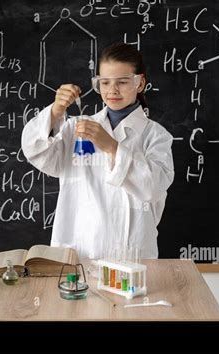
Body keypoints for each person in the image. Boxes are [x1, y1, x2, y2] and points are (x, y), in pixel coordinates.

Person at [21, 43, 174, 260]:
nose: (112, 90)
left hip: (131, 257)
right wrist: (56, 112)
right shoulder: (77, 127)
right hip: (79, 251)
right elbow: (34, 150)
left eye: (122, 82)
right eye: (104, 82)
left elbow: (153, 188)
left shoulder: (155, 136)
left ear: (140, 83)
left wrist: (111, 147)